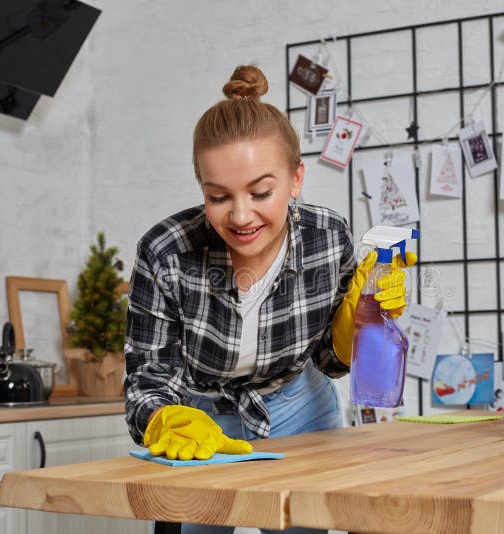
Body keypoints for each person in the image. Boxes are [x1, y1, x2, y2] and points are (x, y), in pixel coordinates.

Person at [124, 64, 415, 534]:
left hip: (301, 407)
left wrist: (359, 320)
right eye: (218, 197)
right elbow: (147, 377)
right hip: (201, 421)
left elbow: (330, 360)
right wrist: (164, 418)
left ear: (296, 179)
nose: (241, 216)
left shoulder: (326, 235)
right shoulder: (165, 251)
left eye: (261, 191)